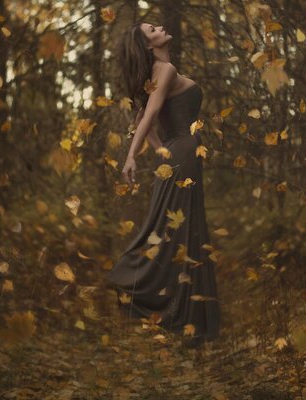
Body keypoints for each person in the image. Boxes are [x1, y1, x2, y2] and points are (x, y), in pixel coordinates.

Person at [107, 22, 220, 348]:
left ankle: (189, 323)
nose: (160, 27)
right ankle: (134, 285)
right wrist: (133, 156)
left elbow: (142, 117)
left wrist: (162, 151)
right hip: (183, 157)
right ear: (148, 44)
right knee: (180, 232)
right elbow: (149, 114)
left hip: (179, 157)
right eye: (152, 28)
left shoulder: (158, 72)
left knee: (179, 231)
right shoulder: (166, 69)